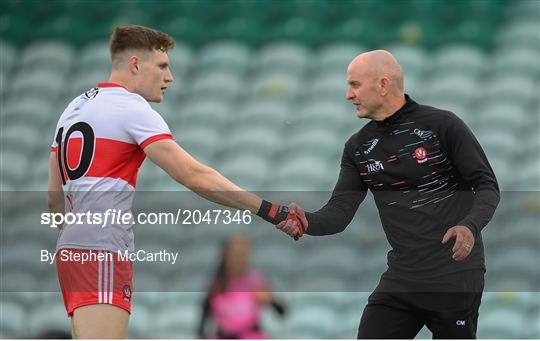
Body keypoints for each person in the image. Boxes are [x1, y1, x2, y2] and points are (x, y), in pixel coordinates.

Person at [47, 25, 306, 339]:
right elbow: (193, 175)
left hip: (71, 250)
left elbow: (54, 199)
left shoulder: (73, 108)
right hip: (102, 249)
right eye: (162, 66)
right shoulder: (131, 108)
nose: (169, 77)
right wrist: (269, 210)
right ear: (134, 65)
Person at [277, 50, 500, 338]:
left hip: (454, 276)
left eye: (355, 85)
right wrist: (307, 220)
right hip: (402, 279)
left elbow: (487, 186)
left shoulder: (443, 125)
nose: (348, 95)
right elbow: (339, 213)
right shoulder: (358, 146)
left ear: (383, 84)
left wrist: (469, 226)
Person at [197, 235, 286, 339]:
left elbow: (282, 312)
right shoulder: (216, 285)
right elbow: (202, 325)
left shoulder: (257, 281)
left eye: (243, 253)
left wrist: (272, 301)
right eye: (235, 253)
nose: (239, 258)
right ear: (225, 255)